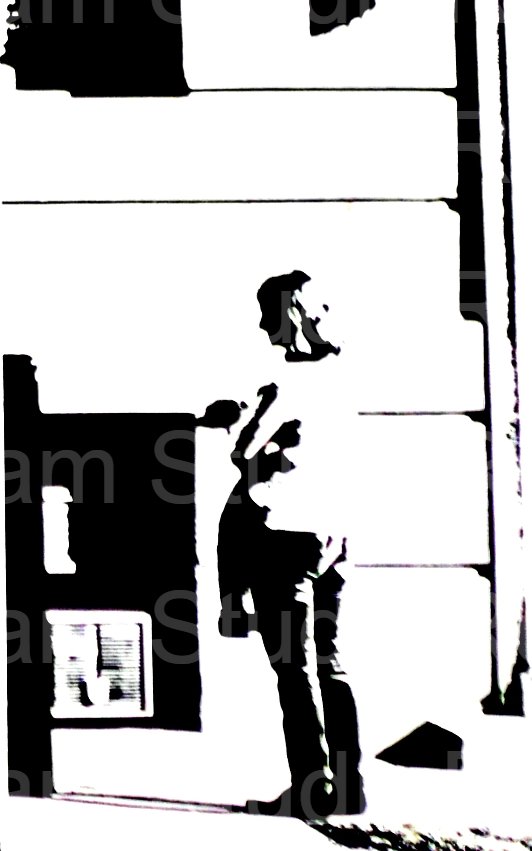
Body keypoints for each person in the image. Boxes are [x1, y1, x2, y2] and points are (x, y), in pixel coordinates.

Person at [211, 270, 363, 820]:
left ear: (288, 315)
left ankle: (309, 784)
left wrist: (253, 428)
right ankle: (348, 784)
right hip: (334, 537)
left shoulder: (283, 385)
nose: (261, 325)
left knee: (291, 668)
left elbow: (241, 451)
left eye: (266, 313)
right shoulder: (345, 376)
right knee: (332, 662)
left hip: (284, 538)